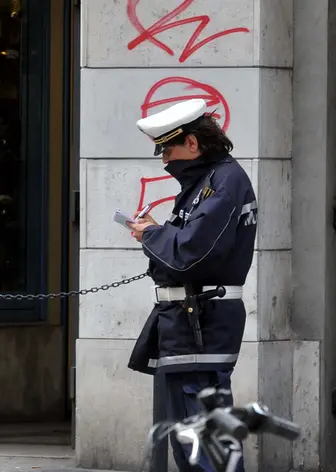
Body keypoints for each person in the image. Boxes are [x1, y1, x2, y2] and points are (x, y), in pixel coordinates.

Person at [125, 98, 257, 472]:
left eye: (167, 147)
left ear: (193, 144)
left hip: (203, 321)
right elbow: (189, 245)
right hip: (189, 320)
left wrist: (151, 233)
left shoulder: (224, 183)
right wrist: (157, 233)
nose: (164, 159)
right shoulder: (209, 181)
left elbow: (191, 255)